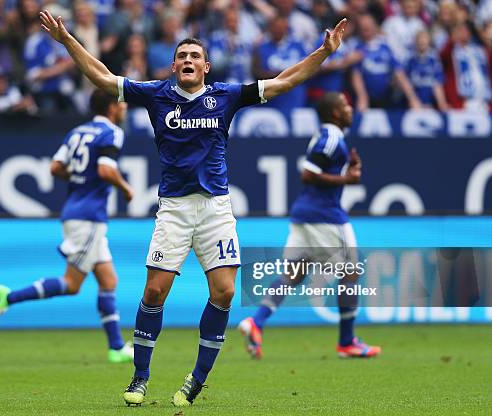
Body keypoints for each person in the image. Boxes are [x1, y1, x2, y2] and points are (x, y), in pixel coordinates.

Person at [39, 9, 347, 407]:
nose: (187, 60)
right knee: (154, 291)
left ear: (206, 66)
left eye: (193, 56)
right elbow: (100, 76)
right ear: (173, 65)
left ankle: (196, 380)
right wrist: (67, 40)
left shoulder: (226, 96)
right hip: (175, 210)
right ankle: (140, 377)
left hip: (216, 209)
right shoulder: (155, 94)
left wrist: (323, 52)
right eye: (181, 56)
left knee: (224, 292)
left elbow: (284, 81)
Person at [0, 89, 136, 364]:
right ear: (113, 107)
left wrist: (78, 175)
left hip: (75, 211)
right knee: (71, 284)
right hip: (89, 216)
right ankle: (8, 298)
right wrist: (126, 188)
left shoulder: (77, 132)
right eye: (122, 104)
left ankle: (116, 347)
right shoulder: (112, 132)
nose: (125, 108)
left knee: (108, 280)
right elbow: (105, 170)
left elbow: (55, 168)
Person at [238, 92, 382, 360]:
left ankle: (256, 322)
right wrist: (346, 181)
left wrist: (346, 173)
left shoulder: (326, 136)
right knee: (351, 272)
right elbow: (308, 173)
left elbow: (316, 170)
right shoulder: (331, 138)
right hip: (324, 216)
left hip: (303, 216)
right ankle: (347, 341)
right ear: (336, 113)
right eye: (346, 105)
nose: (350, 109)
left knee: (292, 276)